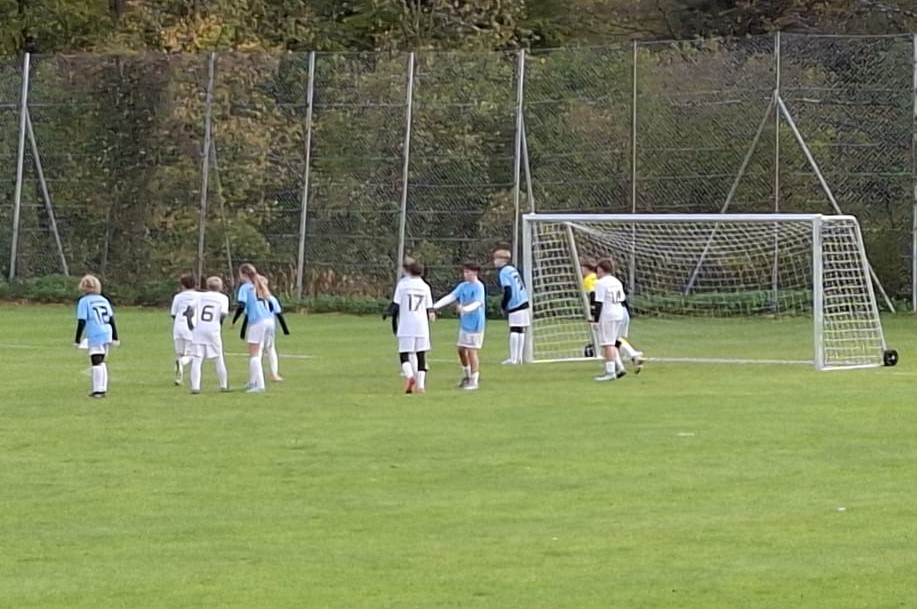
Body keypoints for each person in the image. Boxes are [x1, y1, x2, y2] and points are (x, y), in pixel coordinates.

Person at [432, 262, 486, 391]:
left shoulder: (479, 287)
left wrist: (465, 309)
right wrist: (434, 306)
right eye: (464, 272)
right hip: (465, 324)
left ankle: (474, 381)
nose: (465, 274)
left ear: (475, 273)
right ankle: (467, 375)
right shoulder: (463, 286)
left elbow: (478, 303)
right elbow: (451, 297)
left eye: (468, 272)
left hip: (475, 324)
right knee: (461, 350)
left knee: (471, 351)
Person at [385, 258, 435, 394]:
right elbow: (430, 308)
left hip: (407, 324)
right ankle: (421, 386)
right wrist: (431, 315)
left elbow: (396, 304)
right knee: (421, 355)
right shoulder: (425, 286)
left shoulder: (403, 285)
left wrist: (389, 315)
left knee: (404, 354)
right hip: (422, 325)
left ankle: (410, 376)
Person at [73, 275, 119, 398]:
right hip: (107, 332)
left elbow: (82, 321)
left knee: (96, 361)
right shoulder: (103, 300)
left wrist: (77, 339)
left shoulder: (84, 301)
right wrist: (115, 337)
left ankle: (98, 390)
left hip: (95, 332)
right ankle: (102, 388)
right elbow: (111, 319)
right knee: (101, 360)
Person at [185, 276, 230, 394]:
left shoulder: (200, 296)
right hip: (213, 329)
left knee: (197, 358)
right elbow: (223, 314)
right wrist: (219, 324)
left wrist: (190, 323)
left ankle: (195, 387)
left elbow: (189, 310)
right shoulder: (223, 298)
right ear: (220, 287)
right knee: (218, 357)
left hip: (199, 329)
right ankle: (223, 385)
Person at [236, 264, 274, 393]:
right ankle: (252, 381)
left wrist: (234, 320)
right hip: (269, 320)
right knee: (259, 351)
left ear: (243, 274)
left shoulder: (245, 287)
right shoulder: (259, 284)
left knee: (254, 354)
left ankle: (260, 385)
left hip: (258, 321)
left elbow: (241, 305)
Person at [492, 249, 530, 365]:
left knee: (514, 329)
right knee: (520, 329)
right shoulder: (513, 269)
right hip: (524, 300)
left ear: (502, 260)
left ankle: (513, 359)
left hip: (515, 303)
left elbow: (508, 290)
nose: (494, 262)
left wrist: (504, 305)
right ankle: (519, 358)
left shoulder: (504, 272)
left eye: (496, 259)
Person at [592, 258, 627, 382]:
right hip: (618, 312)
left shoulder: (601, 283)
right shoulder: (617, 281)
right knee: (612, 341)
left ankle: (610, 372)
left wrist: (596, 320)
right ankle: (619, 367)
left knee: (608, 344)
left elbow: (599, 303)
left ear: (600, 269)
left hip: (608, 314)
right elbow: (623, 298)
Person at [170, 273, 199, 385]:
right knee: (192, 354)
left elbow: (173, 313)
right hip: (192, 326)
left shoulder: (178, 297)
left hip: (178, 326)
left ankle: (179, 378)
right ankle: (182, 362)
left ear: (182, 285)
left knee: (180, 353)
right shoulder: (199, 296)